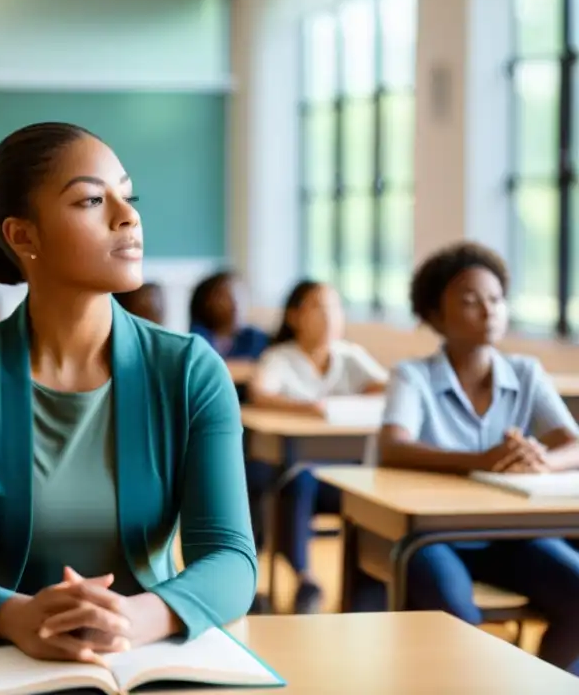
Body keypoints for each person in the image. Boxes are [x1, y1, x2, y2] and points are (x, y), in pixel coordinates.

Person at [0, 123, 257, 662]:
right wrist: (18, 617)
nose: (128, 215)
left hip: (151, 656)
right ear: (23, 236)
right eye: (92, 199)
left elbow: (232, 560)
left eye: (127, 195)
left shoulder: (190, 371)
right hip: (10, 663)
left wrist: (138, 617)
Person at [379, 242, 579, 676]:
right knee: (458, 618)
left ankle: (538, 685)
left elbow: (573, 444)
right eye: (470, 301)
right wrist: (479, 460)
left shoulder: (526, 372)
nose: (488, 311)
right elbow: (393, 446)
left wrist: (543, 459)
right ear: (435, 315)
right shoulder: (413, 375)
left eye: (495, 299)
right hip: (431, 537)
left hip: (509, 535)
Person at [248, 279, 387, 614]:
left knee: (376, 494)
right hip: (296, 469)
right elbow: (259, 393)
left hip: (345, 474)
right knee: (299, 480)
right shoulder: (280, 356)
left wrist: (353, 400)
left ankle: (367, 593)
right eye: (318, 308)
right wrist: (308, 408)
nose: (329, 317)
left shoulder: (349, 355)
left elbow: (390, 387)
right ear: (295, 316)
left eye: (335, 308)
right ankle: (304, 579)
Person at [189, 271, 269, 361]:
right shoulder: (196, 337)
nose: (235, 304)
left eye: (240, 296)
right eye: (225, 297)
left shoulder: (254, 337)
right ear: (206, 302)